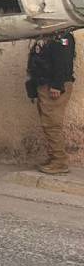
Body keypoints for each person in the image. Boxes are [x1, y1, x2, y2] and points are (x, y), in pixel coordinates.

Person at [28, 31, 76, 175]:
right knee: (47, 123)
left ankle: (59, 162)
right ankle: (53, 158)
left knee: (52, 124)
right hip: (43, 84)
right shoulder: (44, 35)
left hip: (53, 86)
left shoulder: (63, 37)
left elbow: (63, 60)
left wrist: (57, 85)